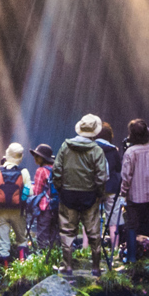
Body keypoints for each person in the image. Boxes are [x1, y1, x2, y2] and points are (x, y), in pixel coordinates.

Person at [53, 113, 108, 277]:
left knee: (67, 231)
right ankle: (96, 268)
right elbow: (102, 176)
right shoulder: (97, 150)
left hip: (68, 194)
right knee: (93, 232)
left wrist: (60, 190)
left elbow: (56, 171)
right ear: (94, 132)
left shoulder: (65, 146)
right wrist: (99, 194)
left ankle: (67, 266)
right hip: (89, 195)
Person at [120, 118, 149, 262]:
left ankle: (131, 259)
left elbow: (126, 176)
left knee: (132, 226)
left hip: (135, 196)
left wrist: (123, 194)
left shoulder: (130, 152)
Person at [0, 142, 32, 267]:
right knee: (21, 239)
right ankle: (22, 266)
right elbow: (30, 193)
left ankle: (6, 271)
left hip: (0, 211)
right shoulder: (24, 172)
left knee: (3, 242)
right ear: (20, 157)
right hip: (18, 211)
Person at [96, 122, 123, 250]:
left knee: (90, 220)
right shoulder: (113, 150)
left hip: (94, 188)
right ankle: (115, 250)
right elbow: (119, 168)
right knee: (113, 222)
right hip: (112, 187)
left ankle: (86, 249)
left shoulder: (91, 148)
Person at [28, 143, 59, 248]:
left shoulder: (40, 171)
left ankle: (43, 258)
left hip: (45, 207)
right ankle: (55, 256)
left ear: (43, 158)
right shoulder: (56, 168)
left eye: (37, 156)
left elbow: (37, 192)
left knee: (43, 234)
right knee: (55, 232)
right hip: (57, 205)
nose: (35, 158)